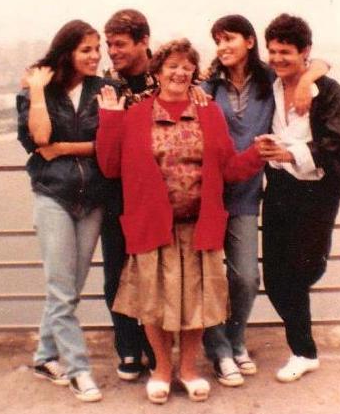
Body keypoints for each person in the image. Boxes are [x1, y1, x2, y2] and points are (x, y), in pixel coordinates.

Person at [96, 38, 268, 404]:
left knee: (197, 304)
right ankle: (161, 369)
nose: (180, 72)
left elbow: (229, 168)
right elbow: (110, 166)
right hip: (152, 226)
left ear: (194, 74)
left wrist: (257, 154)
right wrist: (110, 119)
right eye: (172, 66)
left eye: (187, 67)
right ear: (157, 72)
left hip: (198, 225)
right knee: (153, 303)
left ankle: (188, 369)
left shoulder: (209, 112)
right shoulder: (137, 114)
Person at [200, 15, 330, 387]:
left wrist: (307, 78)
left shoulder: (268, 81)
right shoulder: (208, 86)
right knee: (209, 277)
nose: (222, 47)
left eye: (229, 39)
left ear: (249, 41)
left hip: (246, 194)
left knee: (246, 277)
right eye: (217, 41)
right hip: (207, 195)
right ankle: (220, 350)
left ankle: (236, 338)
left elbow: (318, 63)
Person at [16, 19, 106, 402]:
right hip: (53, 195)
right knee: (62, 288)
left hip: (93, 198)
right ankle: (78, 369)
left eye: (97, 48)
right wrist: (38, 91)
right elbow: (39, 138)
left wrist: (64, 148)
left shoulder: (104, 90)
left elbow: (109, 145)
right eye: (86, 50)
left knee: (70, 288)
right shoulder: (38, 90)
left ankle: (44, 357)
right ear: (67, 52)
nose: (95, 56)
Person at [259, 13, 340, 382]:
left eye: (286, 52)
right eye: (273, 51)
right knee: (274, 277)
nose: (277, 58)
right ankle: (303, 348)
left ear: (304, 52)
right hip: (279, 188)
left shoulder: (328, 92)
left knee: (304, 269)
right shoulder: (269, 84)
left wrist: (289, 153)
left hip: (317, 191)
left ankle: (303, 351)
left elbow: (334, 142)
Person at [100, 9, 157, 380]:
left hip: (156, 192)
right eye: (109, 45)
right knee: (116, 273)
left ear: (143, 41)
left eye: (119, 44)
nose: (112, 52)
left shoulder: (168, 75)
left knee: (155, 272)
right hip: (116, 191)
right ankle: (128, 348)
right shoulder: (106, 84)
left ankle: (155, 346)